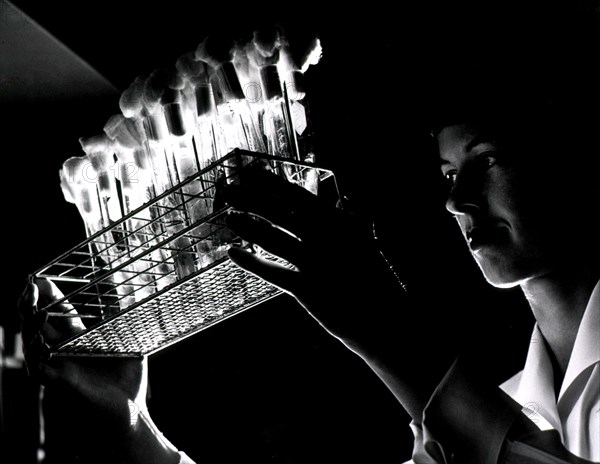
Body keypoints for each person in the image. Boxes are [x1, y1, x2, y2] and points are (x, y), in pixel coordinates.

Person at [17, 9, 600, 464]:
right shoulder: (499, 405)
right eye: (449, 173)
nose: (456, 200)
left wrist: (382, 324)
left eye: (488, 159)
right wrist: (129, 424)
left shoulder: (465, 416)